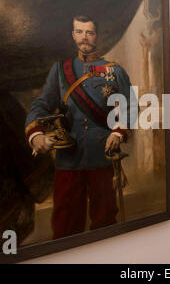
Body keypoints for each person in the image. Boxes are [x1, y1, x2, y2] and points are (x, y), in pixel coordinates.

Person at [25, 15, 136, 239]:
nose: (84, 37)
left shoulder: (115, 71)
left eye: (89, 32)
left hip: (102, 155)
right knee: (65, 224)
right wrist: (35, 133)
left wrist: (118, 132)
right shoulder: (59, 70)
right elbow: (41, 104)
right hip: (68, 157)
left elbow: (130, 106)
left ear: (97, 36)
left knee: (104, 221)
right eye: (79, 32)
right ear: (73, 35)